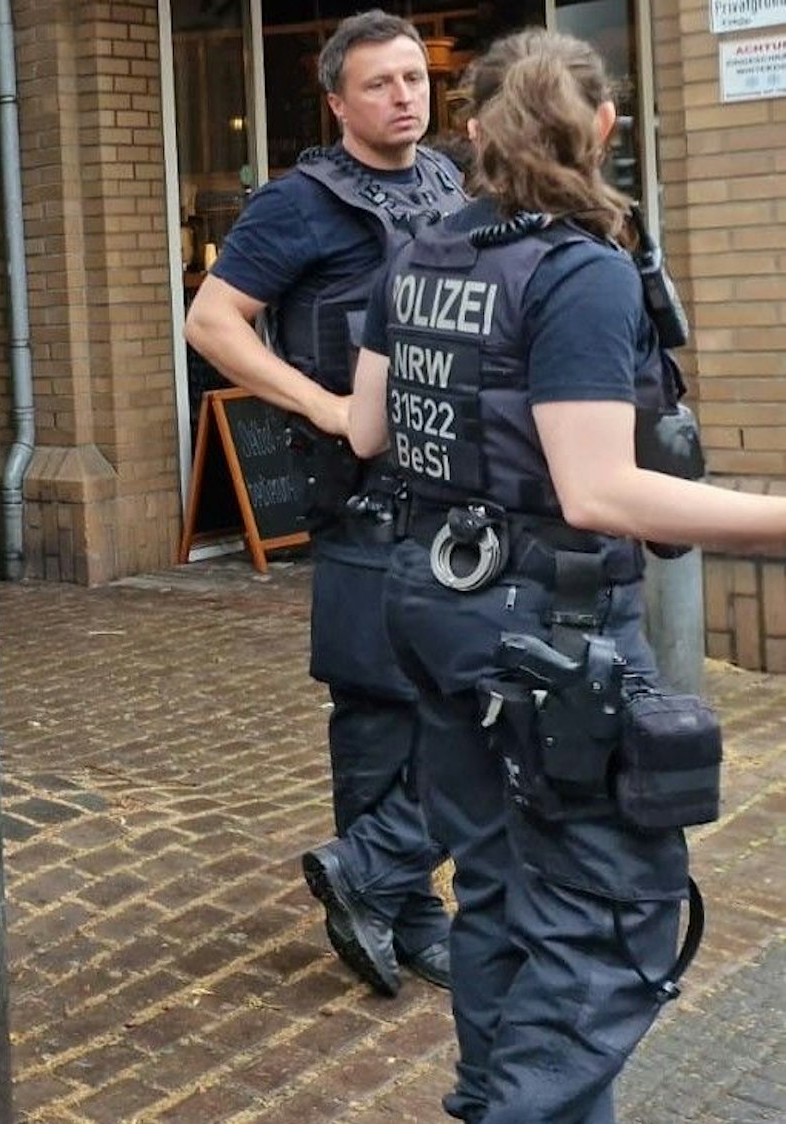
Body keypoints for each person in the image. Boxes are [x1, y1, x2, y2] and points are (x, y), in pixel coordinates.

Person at [348, 29, 769, 1123]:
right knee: (612, 912)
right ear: (604, 129)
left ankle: (493, 1090)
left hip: (432, 599)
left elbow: (362, 427)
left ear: (473, 129)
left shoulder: (420, 250)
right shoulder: (578, 271)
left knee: (492, 889)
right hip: (554, 624)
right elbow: (597, 491)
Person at [184, 9, 463, 998]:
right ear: (337, 99)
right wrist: (329, 406)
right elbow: (210, 321)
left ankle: (378, 878)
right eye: (381, 83)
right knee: (378, 711)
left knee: (463, 700)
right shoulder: (296, 203)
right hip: (364, 499)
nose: (405, 95)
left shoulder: (447, 182)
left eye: (415, 77)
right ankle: (401, 912)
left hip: (455, 491)